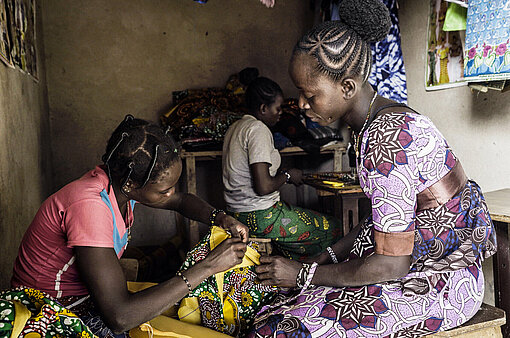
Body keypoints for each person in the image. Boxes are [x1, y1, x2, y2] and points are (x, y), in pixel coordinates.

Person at [249, 0, 496, 336]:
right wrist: (326, 258)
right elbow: (384, 220)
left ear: (347, 87)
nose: (302, 104)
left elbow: (391, 265)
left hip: (439, 282)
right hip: (417, 263)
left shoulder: (386, 139)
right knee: (282, 304)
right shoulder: (378, 120)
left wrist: (303, 275)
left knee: (283, 328)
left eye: (308, 94)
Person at [9, 115, 249, 337]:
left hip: (88, 298)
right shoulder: (89, 206)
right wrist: (208, 267)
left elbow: (182, 201)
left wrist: (220, 218)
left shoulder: (119, 184)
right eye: (164, 190)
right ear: (132, 184)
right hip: (50, 309)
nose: (171, 193)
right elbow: (120, 316)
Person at [222, 76, 343, 261]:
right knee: (334, 226)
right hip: (263, 217)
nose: (280, 113)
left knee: (301, 223)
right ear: (263, 108)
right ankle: (312, 275)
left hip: (237, 215)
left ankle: (292, 269)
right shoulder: (257, 129)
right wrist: (287, 175)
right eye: (277, 108)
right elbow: (262, 187)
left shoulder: (235, 127)